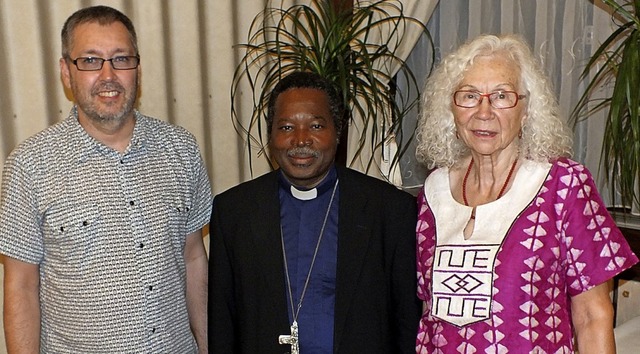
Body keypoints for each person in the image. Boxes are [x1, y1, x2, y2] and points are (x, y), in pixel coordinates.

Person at [0, 6, 212, 353]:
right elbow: (20, 286)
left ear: (137, 69)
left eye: (121, 59)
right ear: (66, 72)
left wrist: (206, 346)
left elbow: (193, 258)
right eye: (90, 60)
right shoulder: (29, 165)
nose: (108, 74)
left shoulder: (181, 149)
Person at [413, 33, 639, 353]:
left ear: (526, 108)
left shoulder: (564, 186)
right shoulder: (432, 192)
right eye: (469, 95)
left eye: (502, 96)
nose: (484, 111)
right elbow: (429, 312)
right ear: (450, 108)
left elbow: (592, 316)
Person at [208, 71, 421, 353]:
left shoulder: (390, 211)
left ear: (337, 132)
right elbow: (223, 322)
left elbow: (407, 323)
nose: (300, 139)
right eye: (285, 127)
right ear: (270, 134)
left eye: (316, 126)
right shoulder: (234, 212)